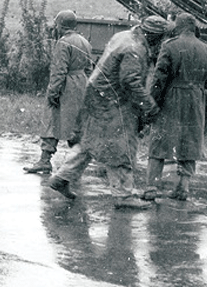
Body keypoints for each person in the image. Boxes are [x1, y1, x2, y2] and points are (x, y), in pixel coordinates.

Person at [47, 15, 169, 210]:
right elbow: (130, 81)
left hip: (96, 94)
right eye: (162, 39)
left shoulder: (124, 36)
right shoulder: (134, 49)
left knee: (89, 142)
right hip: (113, 101)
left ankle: (62, 177)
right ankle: (123, 195)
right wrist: (149, 105)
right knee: (121, 146)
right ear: (155, 37)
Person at [144, 12, 207, 202]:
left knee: (159, 141)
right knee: (190, 142)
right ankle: (183, 188)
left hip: (172, 97)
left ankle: (151, 187)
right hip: (195, 98)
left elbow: (159, 79)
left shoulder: (169, 46)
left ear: (178, 27)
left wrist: (153, 103)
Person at [25, 10, 92, 175]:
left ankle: (45, 160)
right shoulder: (84, 41)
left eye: (56, 24)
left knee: (51, 120)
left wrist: (53, 92)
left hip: (65, 85)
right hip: (81, 84)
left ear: (60, 25)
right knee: (76, 126)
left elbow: (59, 71)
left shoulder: (63, 43)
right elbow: (90, 68)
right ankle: (76, 165)